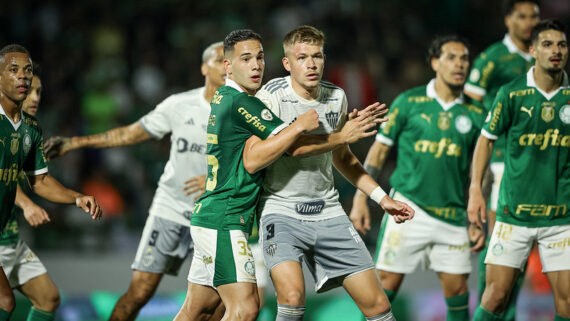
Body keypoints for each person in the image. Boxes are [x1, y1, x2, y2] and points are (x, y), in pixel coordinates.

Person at [43, 42, 228, 321]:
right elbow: (129, 134)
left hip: (213, 215)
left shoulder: (242, 110)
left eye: (231, 61)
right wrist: (74, 142)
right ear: (203, 67)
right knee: (139, 293)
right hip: (171, 209)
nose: (227, 66)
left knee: (221, 300)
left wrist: (216, 180)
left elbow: (257, 158)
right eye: (219, 60)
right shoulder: (179, 105)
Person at [255, 25, 414, 321]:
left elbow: (342, 157)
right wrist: (343, 135)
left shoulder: (335, 97)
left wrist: (381, 199)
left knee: (378, 306)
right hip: (281, 211)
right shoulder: (270, 96)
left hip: (328, 212)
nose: (311, 64)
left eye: (317, 56)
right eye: (302, 58)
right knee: (291, 300)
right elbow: (292, 147)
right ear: (288, 63)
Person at [350, 35, 486, 321]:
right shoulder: (409, 102)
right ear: (435, 62)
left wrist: (477, 216)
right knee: (384, 285)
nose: (459, 64)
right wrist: (361, 198)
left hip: (453, 213)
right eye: (451, 57)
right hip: (408, 209)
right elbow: (378, 152)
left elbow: (480, 168)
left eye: (464, 58)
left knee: (458, 290)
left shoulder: (475, 112)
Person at [469, 19, 569, 321]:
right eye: (547, 44)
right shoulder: (511, 94)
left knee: (567, 302)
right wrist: (476, 189)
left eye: (562, 45)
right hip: (514, 215)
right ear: (532, 50)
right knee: (496, 297)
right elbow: (485, 141)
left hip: (561, 217)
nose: (556, 51)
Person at [0, 44, 102, 321]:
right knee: (5, 301)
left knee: (48, 297)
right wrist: (26, 204)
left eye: (30, 75)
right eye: (14, 71)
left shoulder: (30, 130)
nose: (25, 80)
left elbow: (40, 181)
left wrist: (76, 197)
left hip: (8, 235)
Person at [463, 2, 540, 317]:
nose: (529, 22)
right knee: (500, 245)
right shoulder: (493, 58)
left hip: (538, 161)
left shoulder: (543, 56)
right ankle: (489, 311)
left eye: (534, 16)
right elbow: (471, 101)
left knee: (523, 249)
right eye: (521, 16)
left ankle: (507, 314)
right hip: (503, 160)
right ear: (508, 19)